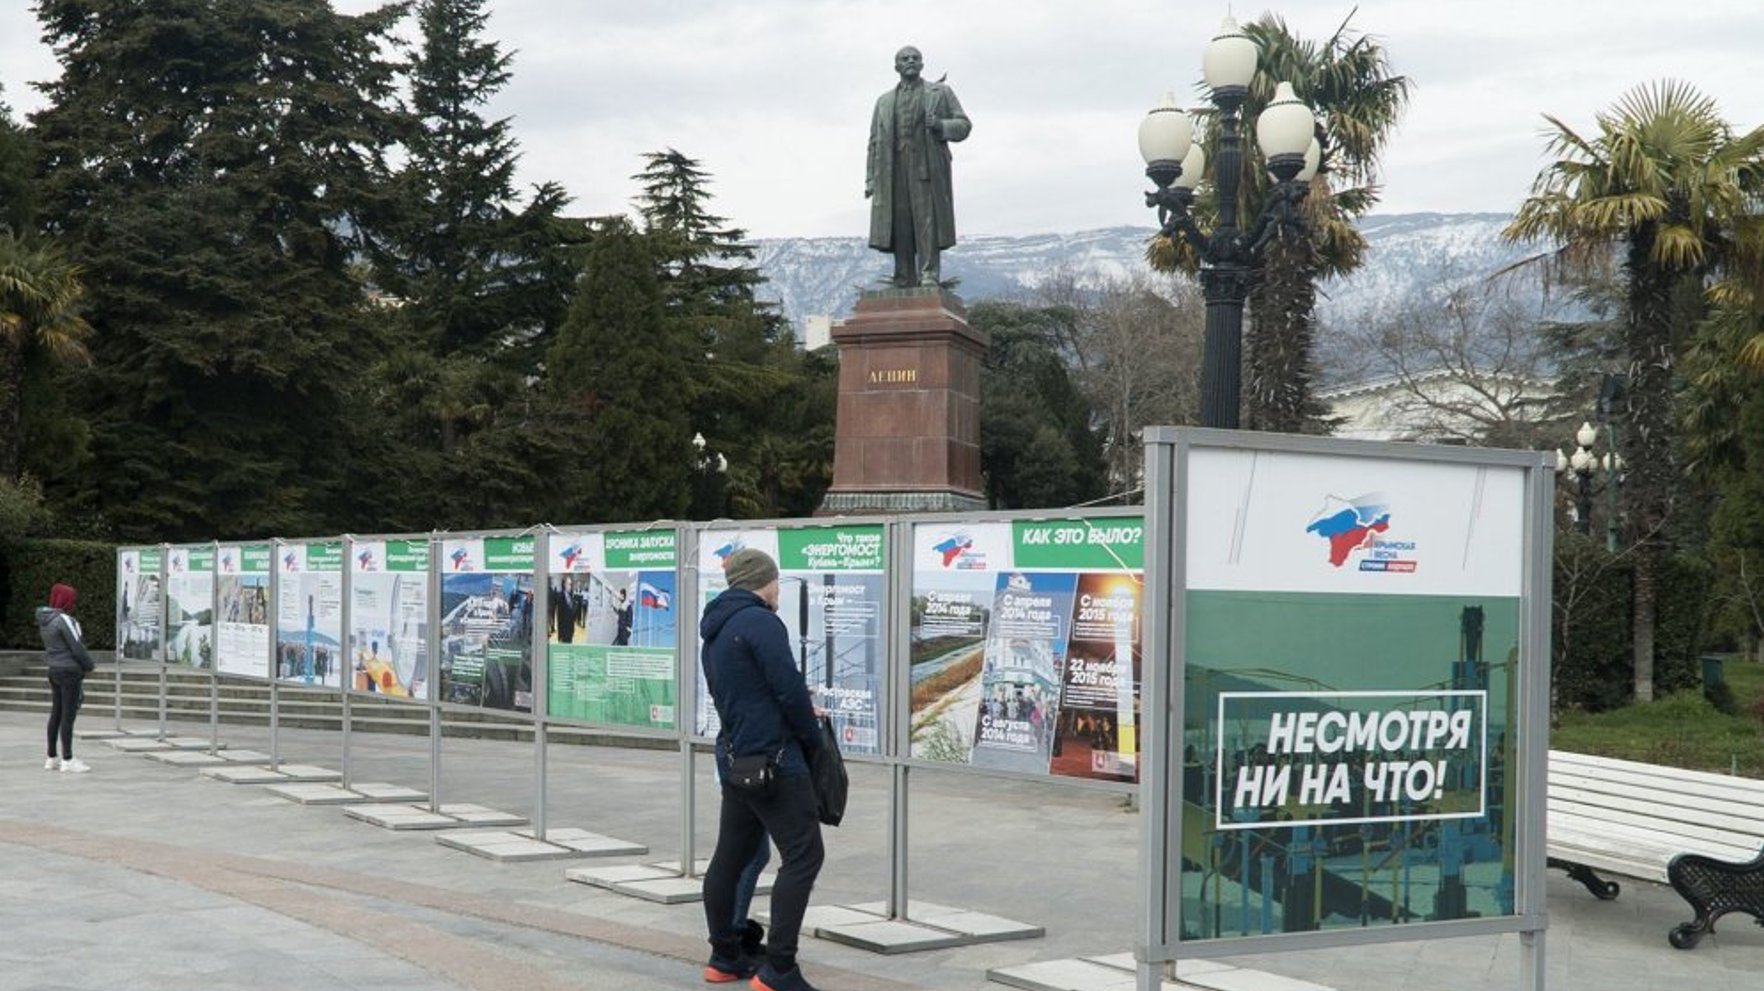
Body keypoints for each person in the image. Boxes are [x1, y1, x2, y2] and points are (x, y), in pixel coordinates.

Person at [700, 549, 824, 991]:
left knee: (729, 857)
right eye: (776, 581)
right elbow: (787, 690)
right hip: (775, 760)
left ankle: (724, 956)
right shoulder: (762, 623)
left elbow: (736, 693)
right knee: (804, 855)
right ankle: (779, 970)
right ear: (762, 582)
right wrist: (812, 740)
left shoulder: (714, 631)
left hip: (736, 758)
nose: (778, 589)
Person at [865, 45, 971, 288]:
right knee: (900, 223)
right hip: (892, 171)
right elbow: (873, 142)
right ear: (897, 66)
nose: (910, 61)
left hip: (927, 168)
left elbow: (964, 126)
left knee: (926, 222)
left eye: (915, 58)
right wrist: (870, 178)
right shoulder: (883, 102)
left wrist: (941, 125)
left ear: (922, 64)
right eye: (905, 59)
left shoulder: (940, 93)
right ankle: (903, 275)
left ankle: (929, 273)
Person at [37, 583, 96, 773]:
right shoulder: (64, 619)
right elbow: (76, 646)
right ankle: (68, 759)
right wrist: (89, 666)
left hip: (54, 670)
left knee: (56, 713)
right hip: (70, 672)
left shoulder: (45, 620)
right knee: (68, 716)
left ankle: (51, 757)